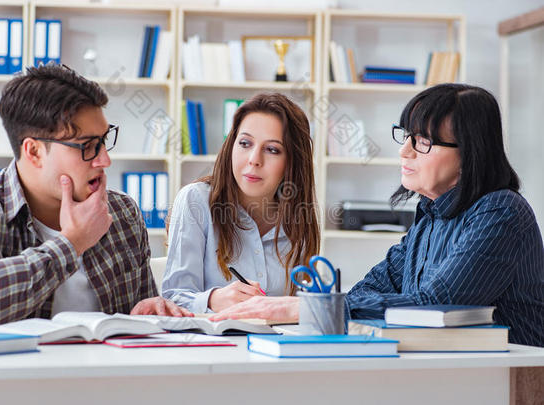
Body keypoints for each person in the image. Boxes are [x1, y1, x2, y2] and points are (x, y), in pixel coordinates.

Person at [209, 84, 544, 347]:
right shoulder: (430, 216)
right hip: (447, 371)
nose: (405, 151)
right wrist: (313, 308)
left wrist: (301, 308)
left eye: (423, 142)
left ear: (470, 152)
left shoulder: (501, 212)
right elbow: (373, 286)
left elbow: (439, 302)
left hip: (509, 379)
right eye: (407, 137)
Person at [0, 64, 191, 329]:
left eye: (104, 141)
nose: (105, 160)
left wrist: (149, 313)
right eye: (87, 146)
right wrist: (73, 242)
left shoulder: (122, 211)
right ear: (34, 152)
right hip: (1, 371)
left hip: (104, 370)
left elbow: (141, 313)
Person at [161, 92, 320, 313]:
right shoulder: (195, 201)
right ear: (231, 146)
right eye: (245, 143)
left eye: (272, 149)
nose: (254, 159)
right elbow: (172, 299)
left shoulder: (297, 217)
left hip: (277, 345)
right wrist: (213, 299)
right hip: (213, 344)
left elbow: (306, 308)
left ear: (292, 162)